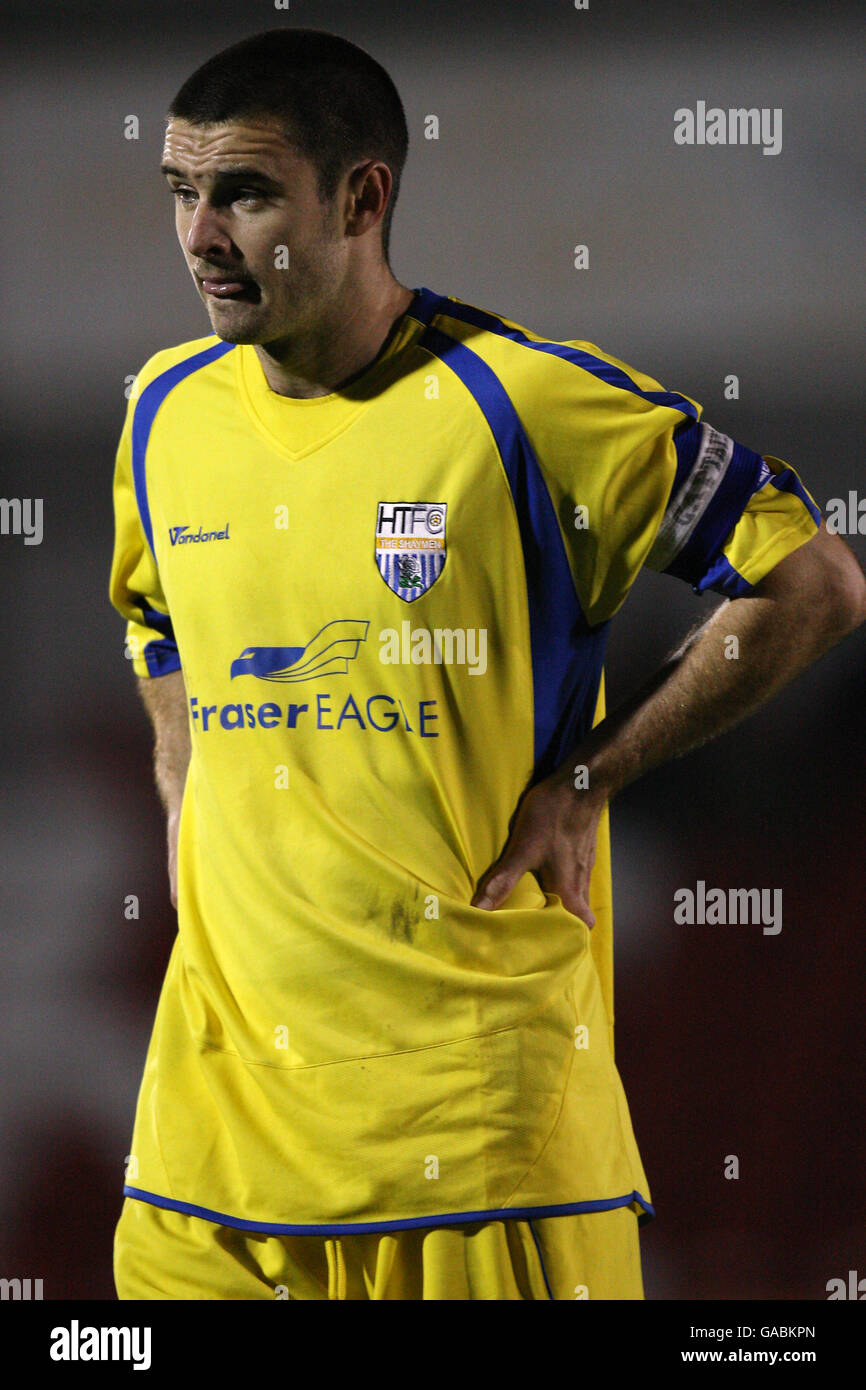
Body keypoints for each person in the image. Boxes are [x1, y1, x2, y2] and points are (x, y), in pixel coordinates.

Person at [109, 27, 866, 1301]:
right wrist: (185, 787)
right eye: (181, 193)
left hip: (472, 1145)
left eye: (242, 193)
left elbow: (813, 581)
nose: (200, 237)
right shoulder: (163, 410)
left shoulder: (523, 404)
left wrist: (591, 776)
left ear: (363, 196)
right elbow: (157, 619)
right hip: (208, 1154)